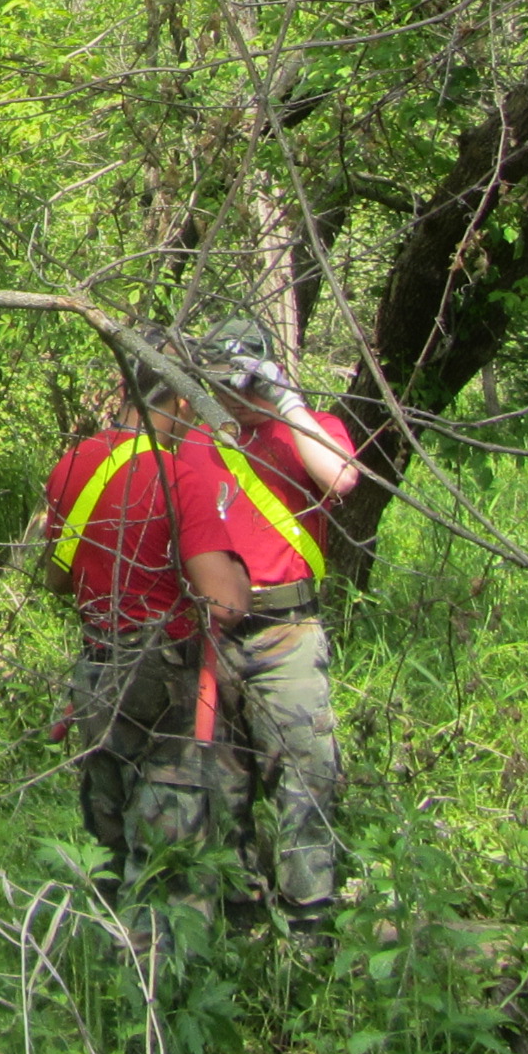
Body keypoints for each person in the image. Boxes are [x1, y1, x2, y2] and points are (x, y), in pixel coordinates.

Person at [172, 315, 362, 938]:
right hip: (214, 636)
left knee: (306, 782)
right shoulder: (195, 441)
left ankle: (309, 925)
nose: (233, 395)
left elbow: (342, 477)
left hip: (288, 633)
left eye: (242, 380)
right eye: (221, 382)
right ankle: (241, 923)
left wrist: (285, 401)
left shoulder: (305, 431)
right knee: (222, 789)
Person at [33, 352, 206, 904]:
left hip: (98, 664)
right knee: (167, 834)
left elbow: (57, 581)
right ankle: (157, 952)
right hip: (164, 669)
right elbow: (221, 601)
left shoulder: (71, 464)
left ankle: (107, 949)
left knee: (107, 823)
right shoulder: (178, 475)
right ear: (178, 400)